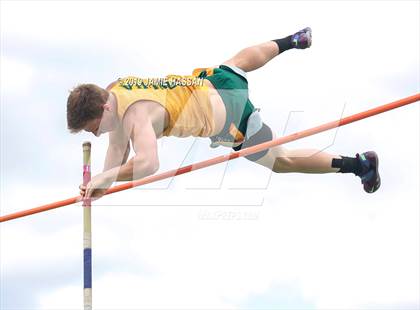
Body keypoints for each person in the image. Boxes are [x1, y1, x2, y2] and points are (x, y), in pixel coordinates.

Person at [67, 27, 380, 200]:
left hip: (225, 117)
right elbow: (117, 152)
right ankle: (292, 41)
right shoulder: (115, 91)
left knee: (279, 161)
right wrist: (101, 187)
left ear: (105, 107)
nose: (94, 133)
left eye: (92, 127)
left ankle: (359, 165)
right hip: (214, 83)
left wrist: (106, 178)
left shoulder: (135, 115)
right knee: (235, 65)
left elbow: (148, 164)